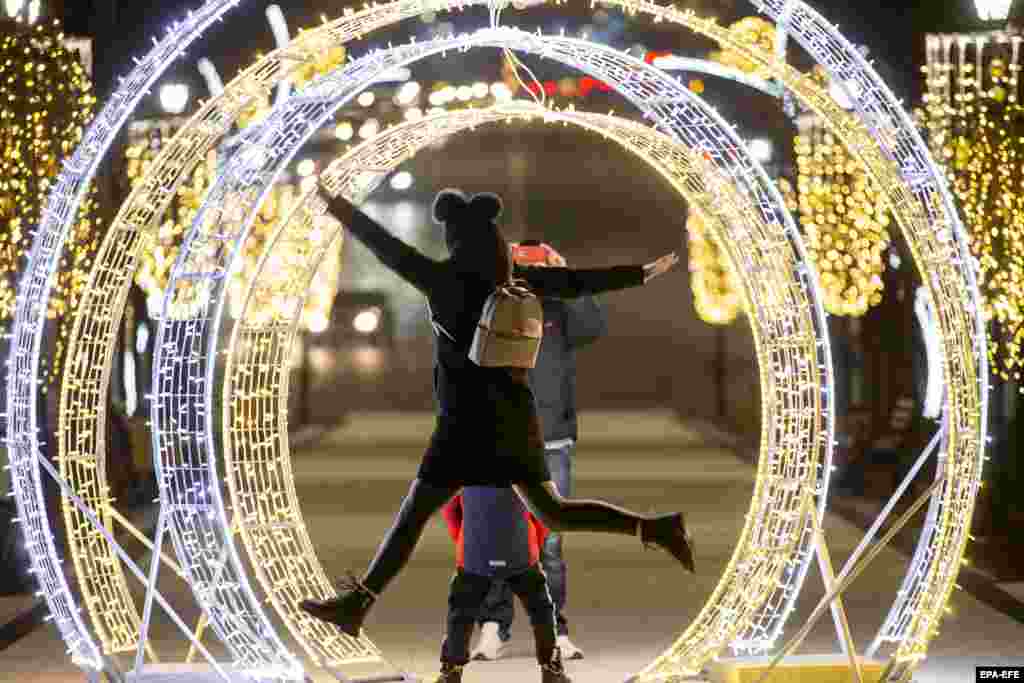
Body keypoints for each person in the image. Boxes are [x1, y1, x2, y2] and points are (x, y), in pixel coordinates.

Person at [300, 185, 695, 645]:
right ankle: (654, 528)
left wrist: (337, 207)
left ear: (453, 239)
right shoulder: (517, 280)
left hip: (461, 426)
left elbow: (383, 244)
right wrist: (642, 273)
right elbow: (578, 281)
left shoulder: (439, 279)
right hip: (512, 419)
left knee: (413, 517)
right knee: (555, 513)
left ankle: (358, 605)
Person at [471, 241, 600, 662]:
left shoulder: (560, 310)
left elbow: (591, 328)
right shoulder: (488, 307)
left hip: (553, 441)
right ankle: (493, 627)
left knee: (551, 543)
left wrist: (570, 276)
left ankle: (556, 630)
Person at [435, 489, 568, 682]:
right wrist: (534, 545)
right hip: (521, 553)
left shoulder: (462, 465)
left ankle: (451, 670)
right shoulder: (525, 464)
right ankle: (551, 669)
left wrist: (463, 541)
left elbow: (450, 510)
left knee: (460, 612)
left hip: (475, 554)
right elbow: (544, 512)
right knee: (541, 610)